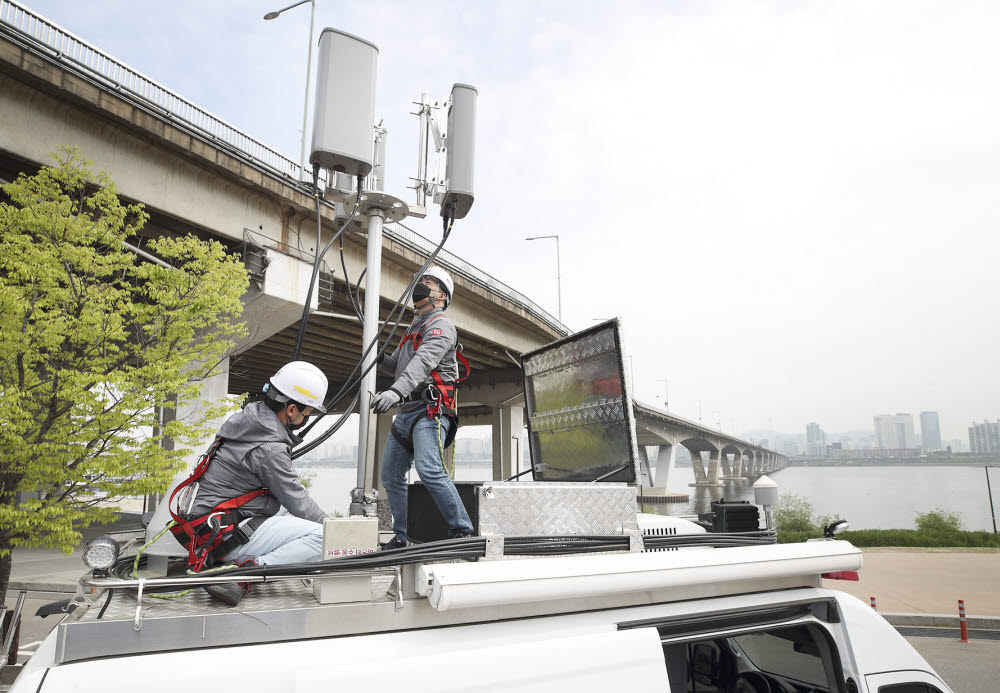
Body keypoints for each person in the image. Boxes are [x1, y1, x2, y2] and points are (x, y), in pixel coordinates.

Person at [173, 361, 330, 605]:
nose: (306, 417)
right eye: (307, 411)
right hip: (221, 537)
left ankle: (244, 562)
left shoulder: (249, 420)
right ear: (291, 410)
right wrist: (342, 532)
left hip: (206, 527)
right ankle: (246, 572)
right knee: (324, 538)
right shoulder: (269, 447)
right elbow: (297, 500)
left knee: (292, 514)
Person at [372, 267, 475, 549]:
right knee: (391, 477)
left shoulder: (441, 325)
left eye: (427, 283)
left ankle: (464, 532)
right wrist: (381, 359)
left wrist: (394, 391)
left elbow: (422, 364)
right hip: (406, 414)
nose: (420, 285)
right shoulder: (412, 328)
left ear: (441, 295)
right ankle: (402, 536)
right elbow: (399, 365)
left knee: (429, 469)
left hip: (430, 411)